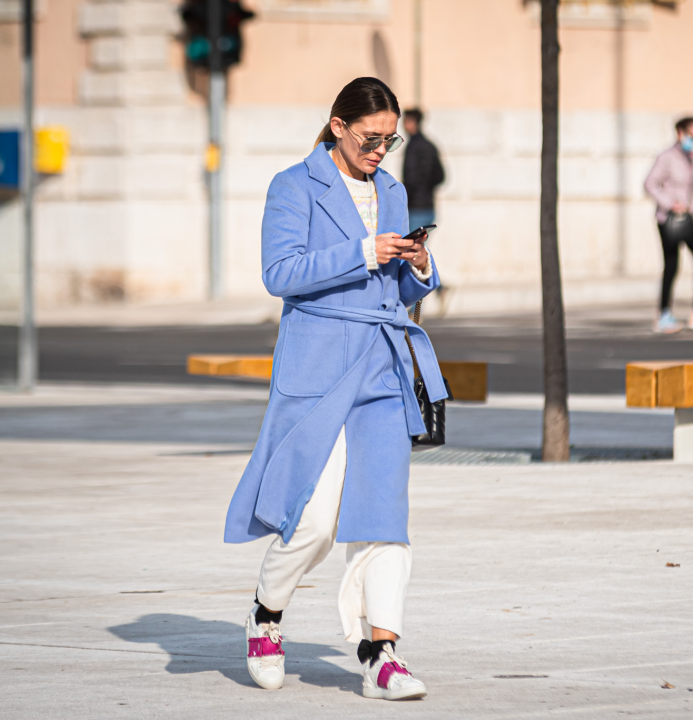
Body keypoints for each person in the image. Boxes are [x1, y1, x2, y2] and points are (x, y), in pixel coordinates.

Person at [224, 77, 445, 700]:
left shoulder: (394, 191)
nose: (380, 150)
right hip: (317, 366)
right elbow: (280, 273)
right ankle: (267, 615)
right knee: (316, 521)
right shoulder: (294, 186)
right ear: (338, 125)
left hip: (380, 365)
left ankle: (382, 655)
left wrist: (420, 270)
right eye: (371, 137)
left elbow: (395, 288)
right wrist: (363, 251)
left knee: (384, 516)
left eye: (390, 139)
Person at [644, 116, 693, 333]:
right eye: (691, 134)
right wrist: (670, 203)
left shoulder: (692, 158)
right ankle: (664, 313)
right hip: (669, 221)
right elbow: (649, 183)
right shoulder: (666, 157)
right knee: (672, 265)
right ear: (680, 133)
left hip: (690, 220)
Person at [401, 108, 446, 233]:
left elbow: (411, 179)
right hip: (428, 208)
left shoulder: (413, 146)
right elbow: (441, 176)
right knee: (418, 248)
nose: (404, 126)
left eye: (405, 121)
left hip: (415, 208)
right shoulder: (430, 145)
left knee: (410, 249)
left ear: (413, 122)